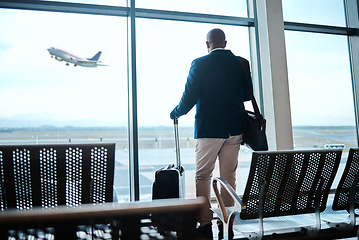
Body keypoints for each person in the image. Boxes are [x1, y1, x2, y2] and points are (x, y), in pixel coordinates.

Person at [170, 28, 252, 239]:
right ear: (225, 42)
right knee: (228, 177)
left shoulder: (200, 64)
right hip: (234, 129)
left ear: (207, 44)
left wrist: (176, 112)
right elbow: (247, 95)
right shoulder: (241, 63)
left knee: (203, 176)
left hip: (208, 129)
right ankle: (228, 221)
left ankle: (205, 224)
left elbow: (188, 98)